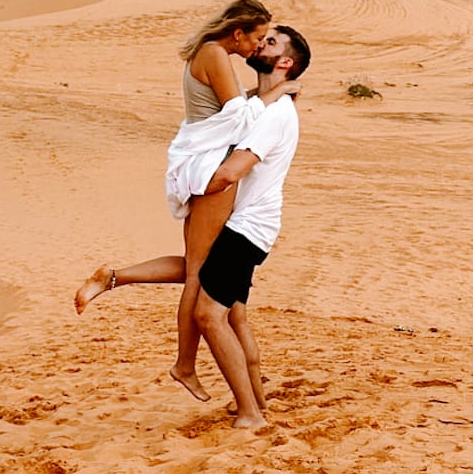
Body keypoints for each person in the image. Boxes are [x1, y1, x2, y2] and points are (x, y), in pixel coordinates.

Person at [75, 24, 311, 430]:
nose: (260, 43)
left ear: (286, 62)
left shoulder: (276, 116)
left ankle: (249, 414)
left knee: (209, 314)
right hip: (243, 223)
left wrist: (200, 183)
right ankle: (257, 402)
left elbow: (232, 172)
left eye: (270, 42)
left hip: (248, 227)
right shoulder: (264, 103)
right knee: (232, 312)